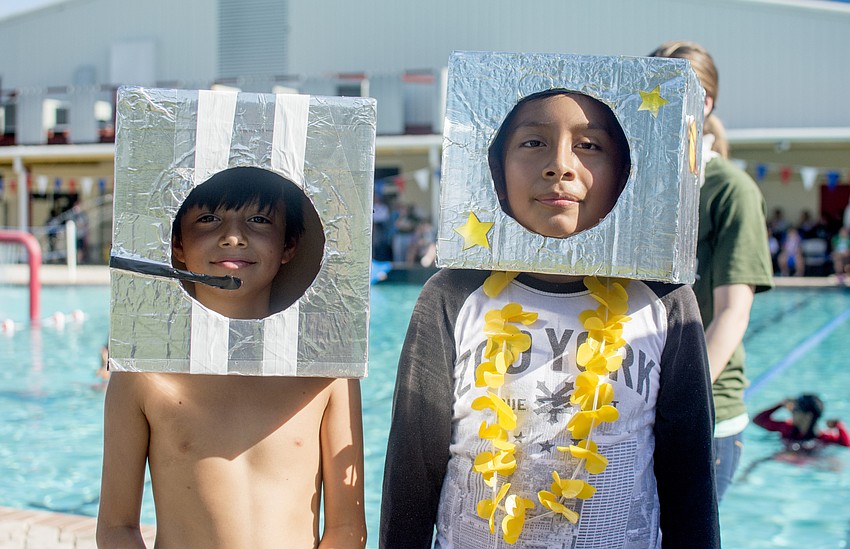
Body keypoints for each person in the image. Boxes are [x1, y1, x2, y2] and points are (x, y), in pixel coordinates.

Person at [381, 89, 718, 547]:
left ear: (625, 171)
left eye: (590, 145)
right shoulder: (452, 295)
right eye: (533, 142)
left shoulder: (664, 303)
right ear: (495, 168)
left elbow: (689, 476)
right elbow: (412, 469)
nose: (560, 165)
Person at [97, 169, 367, 548]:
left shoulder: (327, 371)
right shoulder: (145, 372)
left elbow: (346, 527)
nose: (233, 237)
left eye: (259, 220)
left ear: (289, 245)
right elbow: (116, 526)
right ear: (176, 245)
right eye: (209, 219)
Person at [651, 41, 774, 502]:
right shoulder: (641, 189)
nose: (658, 103)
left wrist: (672, 401)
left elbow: (732, 315)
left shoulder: (730, 191)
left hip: (705, 413)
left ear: (705, 102)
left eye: (671, 90)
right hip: (636, 407)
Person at [753, 395, 850, 451]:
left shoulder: (823, 437)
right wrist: (780, 405)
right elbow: (758, 420)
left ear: (807, 416)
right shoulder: (787, 428)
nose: (791, 412)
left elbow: (846, 445)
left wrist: (839, 425)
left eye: (795, 409)